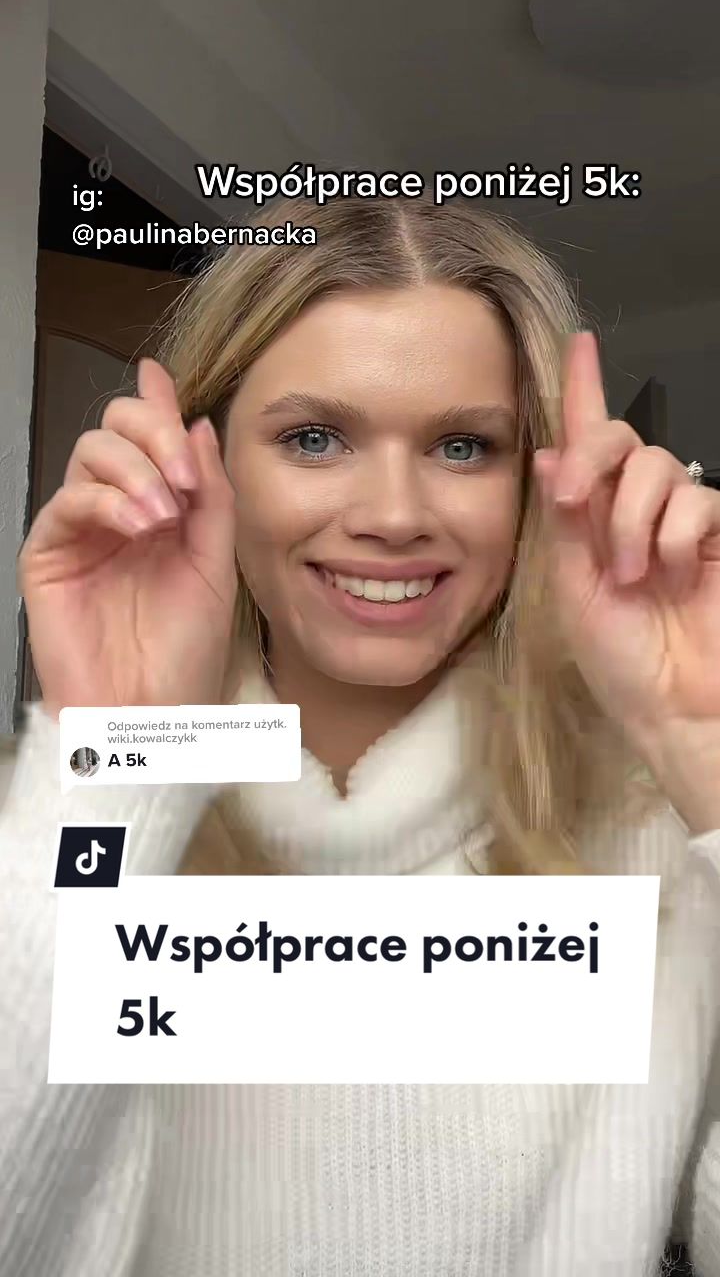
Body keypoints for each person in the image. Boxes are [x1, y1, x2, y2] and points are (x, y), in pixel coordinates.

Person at [2, 195, 720, 1277]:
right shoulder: (58, 821)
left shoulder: (658, 836)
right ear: (206, 464)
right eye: (314, 438)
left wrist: (705, 752)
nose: (393, 513)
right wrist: (117, 750)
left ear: (533, 484)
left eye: (464, 446)